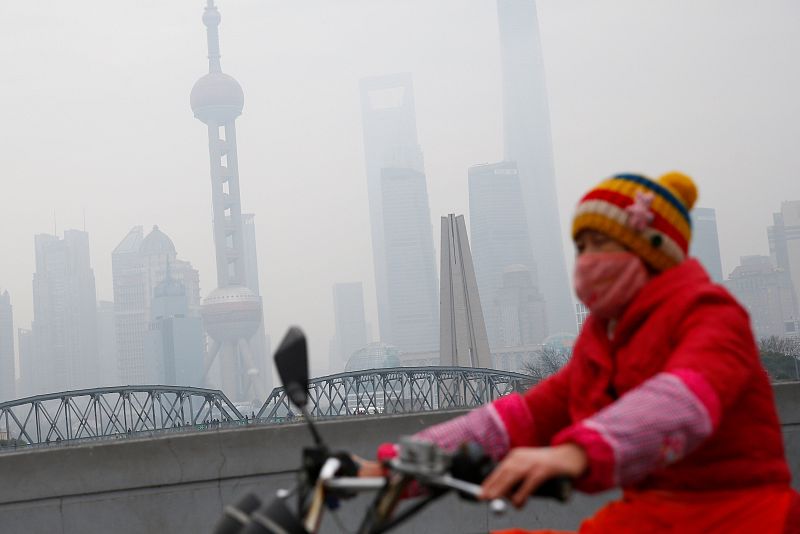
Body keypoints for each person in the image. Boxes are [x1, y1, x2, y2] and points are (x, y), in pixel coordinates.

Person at [361, 171, 800, 533]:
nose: (587, 260)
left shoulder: (710, 314)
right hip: (650, 517)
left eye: (602, 244)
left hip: (744, 516)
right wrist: (400, 463)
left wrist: (577, 452)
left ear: (651, 251)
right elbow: (521, 417)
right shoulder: (605, 342)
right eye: (582, 247)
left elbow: (682, 402)